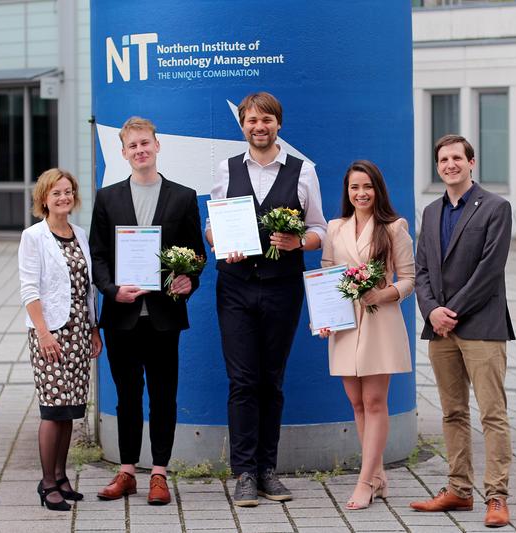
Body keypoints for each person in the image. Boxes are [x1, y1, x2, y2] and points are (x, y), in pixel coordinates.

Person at [206, 92, 327, 506]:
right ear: (242, 125)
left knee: (271, 381)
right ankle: (243, 473)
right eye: (252, 120)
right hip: (235, 286)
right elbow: (211, 227)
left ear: (279, 124)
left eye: (267, 120)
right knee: (242, 381)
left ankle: (267, 471)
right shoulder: (226, 169)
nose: (259, 127)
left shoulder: (302, 170)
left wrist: (299, 242)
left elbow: (320, 231)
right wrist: (221, 240)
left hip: (282, 286)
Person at [90, 117, 205, 506]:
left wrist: (190, 280)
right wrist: (110, 290)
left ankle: (158, 473)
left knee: (163, 395)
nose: (139, 150)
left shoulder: (183, 197)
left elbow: (196, 255)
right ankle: (125, 471)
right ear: (123, 153)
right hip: (121, 316)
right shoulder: (107, 198)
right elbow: (99, 255)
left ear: (157, 146)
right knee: (126, 397)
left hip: (163, 315)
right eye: (132, 146)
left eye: (145, 143)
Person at [410, 134, 515, 528]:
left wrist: (450, 310)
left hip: (482, 327)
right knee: (452, 412)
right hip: (441, 330)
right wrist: (432, 311)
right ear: (438, 166)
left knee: (492, 413)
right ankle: (458, 490)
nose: (450, 164)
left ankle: (497, 495)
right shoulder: (431, 212)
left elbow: (490, 270)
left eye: (457, 157)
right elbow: (421, 270)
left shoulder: (496, 208)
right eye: (443, 159)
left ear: (472, 162)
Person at [319, 160, 414, 510]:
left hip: (379, 322)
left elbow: (409, 278)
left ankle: (364, 481)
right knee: (356, 403)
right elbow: (328, 274)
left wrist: (383, 294)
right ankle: (378, 477)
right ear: (347, 192)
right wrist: (325, 317)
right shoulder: (335, 228)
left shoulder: (393, 228)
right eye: (354, 187)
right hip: (345, 323)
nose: (361, 193)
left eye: (367, 187)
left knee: (375, 403)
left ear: (378, 190)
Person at [18, 168, 103, 511]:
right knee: (53, 409)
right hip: (49, 332)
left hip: (79, 332)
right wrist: (43, 334)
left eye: (68, 192)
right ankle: (47, 483)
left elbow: (87, 290)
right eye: (56, 193)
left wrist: (94, 329)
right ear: (44, 199)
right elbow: (29, 289)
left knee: (70, 409)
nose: (63, 198)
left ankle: (61, 475)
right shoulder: (33, 236)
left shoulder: (80, 234)